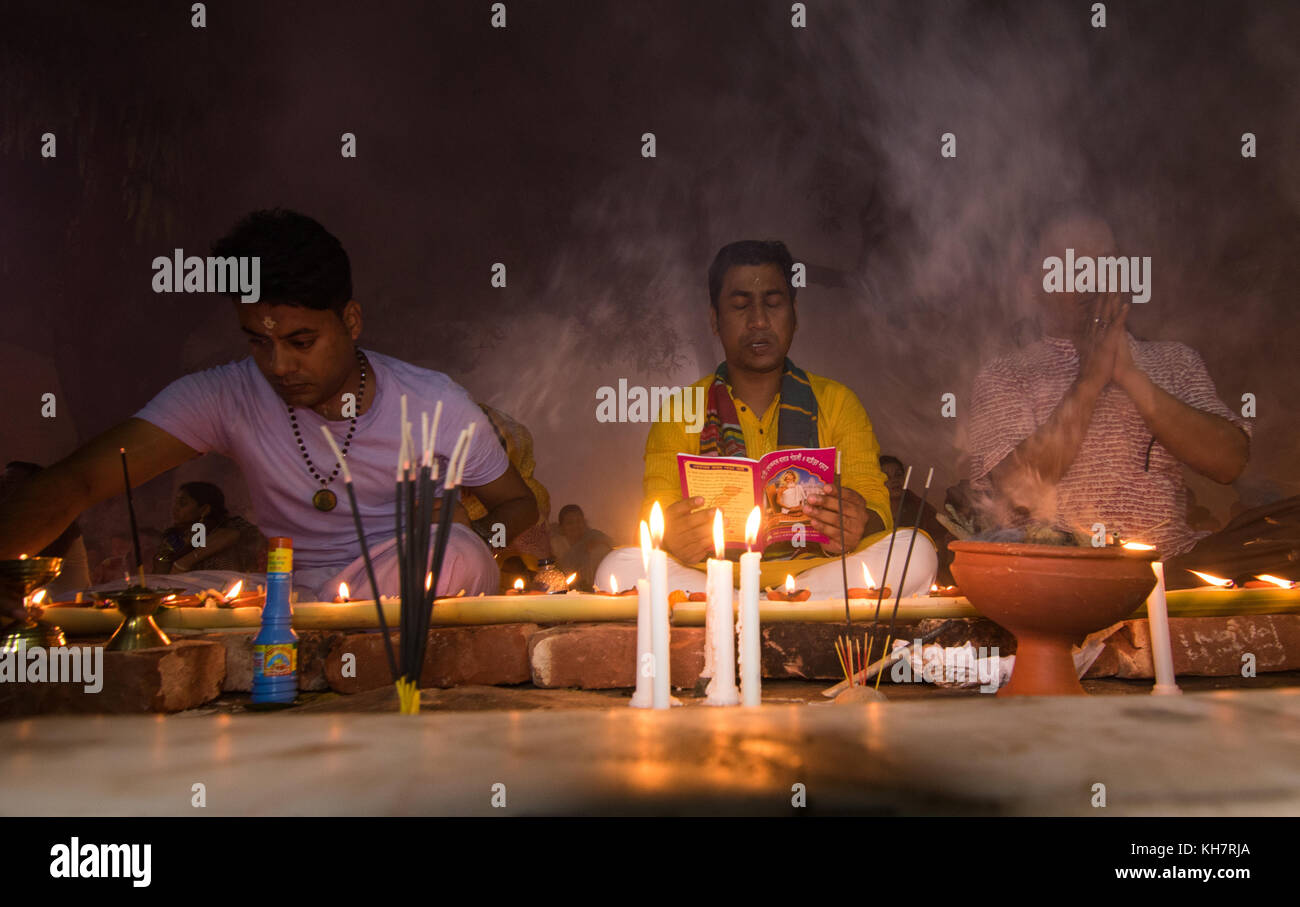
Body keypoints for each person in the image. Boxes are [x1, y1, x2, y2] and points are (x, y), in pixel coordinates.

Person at [0, 209, 538, 603]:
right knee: (118, 597)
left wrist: (472, 539)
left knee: (452, 556)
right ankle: (316, 616)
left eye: (301, 342)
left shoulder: (433, 401)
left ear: (350, 321)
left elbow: (517, 503)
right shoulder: (223, 395)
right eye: (258, 341)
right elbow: (79, 482)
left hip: (417, 575)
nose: (278, 366)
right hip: (289, 591)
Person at [598, 240, 937, 597]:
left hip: (815, 569)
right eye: (741, 306)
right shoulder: (681, 408)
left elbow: (875, 502)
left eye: (773, 304)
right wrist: (673, 531)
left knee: (915, 552)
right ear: (715, 319)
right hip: (713, 575)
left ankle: (748, 608)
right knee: (619, 568)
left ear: (794, 314)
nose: (758, 321)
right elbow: (659, 503)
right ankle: (780, 608)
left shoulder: (837, 401)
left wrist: (856, 519)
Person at [967, 212, 1253, 588]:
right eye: (1069, 263)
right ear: (1031, 286)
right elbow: (1017, 487)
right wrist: (1089, 381)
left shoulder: (1174, 359)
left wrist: (1131, 377)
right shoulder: (1006, 374)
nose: (1091, 277)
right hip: (1055, 577)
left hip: (1169, 569)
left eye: (1104, 262)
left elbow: (1230, 462)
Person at [0, 461, 91, 601]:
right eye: (4, 481)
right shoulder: (16, 519)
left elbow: (32, 572)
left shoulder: (55, 518)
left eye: (11, 481)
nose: (4, 487)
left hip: (64, 599)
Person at [153, 481, 266, 574]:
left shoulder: (230, 527)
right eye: (176, 503)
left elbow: (231, 535)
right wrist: (167, 553)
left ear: (204, 509)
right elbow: (161, 575)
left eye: (183, 504)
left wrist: (184, 562)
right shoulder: (175, 536)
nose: (176, 508)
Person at [880, 455, 957, 585]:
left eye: (898, 475)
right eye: (886, 477)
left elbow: (939, 547)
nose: (894, 481)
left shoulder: (919, 507)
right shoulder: (870, 509)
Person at [551, 505, 613, 592]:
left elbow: (612, 545)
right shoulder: (556, 544)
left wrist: (597, 544)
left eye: (579, 521)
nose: (575, 525)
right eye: (570, 523)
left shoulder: (591, 536)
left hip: (590, 586)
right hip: (565, 588)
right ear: (561, 527)